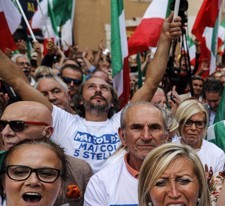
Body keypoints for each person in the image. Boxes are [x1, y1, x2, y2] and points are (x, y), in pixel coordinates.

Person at [0, 15, 182, 173]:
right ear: (79, 98)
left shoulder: (123, 121)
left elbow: (151, 83)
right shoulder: (62, 121)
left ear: (113, 101)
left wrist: (165, 38)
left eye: (104, 88)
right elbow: (18, 82)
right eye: (91, 87)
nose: (98, 90)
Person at [1, 101, 93, 206]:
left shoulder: (79, 170)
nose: (5, 132)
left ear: (47, 132)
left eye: (18, 126)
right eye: (3, 125)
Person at [174, 99, 225, 174]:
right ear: (179, 124)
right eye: (188, 122)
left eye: (199, 123)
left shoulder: (217, 154)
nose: (193, 128)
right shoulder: (168, 151)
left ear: (205, 126)